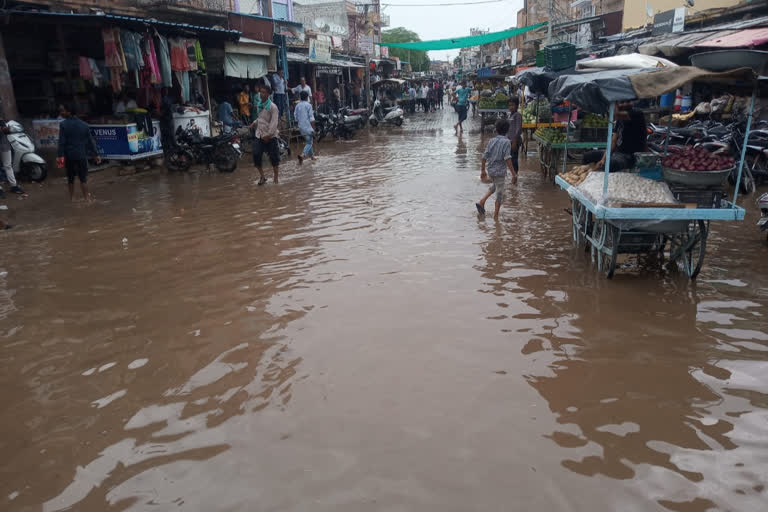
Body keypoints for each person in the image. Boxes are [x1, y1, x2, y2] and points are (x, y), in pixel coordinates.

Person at [583, 101, 647, 172]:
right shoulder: (620, 120)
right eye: (622, 102)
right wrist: (603, 159)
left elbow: (615, 115)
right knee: (587, 156)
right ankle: (586, 176)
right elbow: (613, 140)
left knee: (610, 164)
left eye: (628, 102)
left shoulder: (637, 113)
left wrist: (614, 101)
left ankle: (606, 180)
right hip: (617, 153)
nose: (625, 104)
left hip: (630, 156)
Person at [57, 104, 101, 202]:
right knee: (83, 178)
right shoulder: (84, 125)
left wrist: (60, 157)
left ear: (69, 112)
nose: (61, 113)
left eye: (63, 111)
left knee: (70, 178)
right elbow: (90, 141)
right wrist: (96, 154)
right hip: (81, 155)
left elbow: (61, 142)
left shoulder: (63, 125)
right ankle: (87, 198)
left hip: (69, 156)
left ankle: (72, 198)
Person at [476, 119, 518, 221]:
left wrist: (482, 170)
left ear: (496, 129)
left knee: (495, 186)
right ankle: (496, 217)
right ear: (507, 130)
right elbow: (507, 158)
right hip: (499, 172)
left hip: (491, 170)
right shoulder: (507, 142)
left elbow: (484, 156)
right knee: (500, 194)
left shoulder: (491, 141)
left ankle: (482, 201)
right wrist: (514, 174)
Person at [250, 83, 281, 185]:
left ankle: (276, 178)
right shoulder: (259, 105)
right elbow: (261, 119)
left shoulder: (273, 107)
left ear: (268, 94)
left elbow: (274, 123)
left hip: (270, 136)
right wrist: (254, 123)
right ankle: (262, 177)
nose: (261, 94)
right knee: (256, 154)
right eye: (260, 92)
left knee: (274, 158)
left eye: (263, 92)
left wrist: (269, 135)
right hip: (259, 134)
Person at [0, 120, 24, 196]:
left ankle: (14, 186)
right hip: (4, 145)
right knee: (8, 166)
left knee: (8, 166)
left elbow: (6, 130)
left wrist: (7, 129)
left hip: (4, 145)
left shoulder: (1, 121)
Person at [294, 91, 316, 165]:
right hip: (308, 126)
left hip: (301, 127)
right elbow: (311, 118)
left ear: (300, 97)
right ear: (307, 97)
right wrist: (313, 128)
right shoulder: (308, 105)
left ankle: (312, 157)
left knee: (309, 142)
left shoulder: (297, 106)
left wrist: (299, 123)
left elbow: (296, 117)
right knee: (310, 142)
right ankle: (303, 155)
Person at [506, 97, 523, 174]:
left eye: (512, 105)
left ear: (517, 106)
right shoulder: (510, 115)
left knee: (514, 159)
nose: (511, 107)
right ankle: (514, 175)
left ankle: (515, 176)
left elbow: (518, 129)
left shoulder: (517, 115)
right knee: (510, 159)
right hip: (510, 141)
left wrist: (515, 141)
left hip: (515, 141)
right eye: (509, 105)